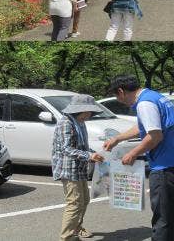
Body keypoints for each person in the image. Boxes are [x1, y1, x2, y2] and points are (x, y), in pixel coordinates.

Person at [103, 75, 174, 240]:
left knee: (163, 219)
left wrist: (133, 153)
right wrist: (118, 138)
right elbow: (144, 126)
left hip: (166, 167)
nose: (119, 100)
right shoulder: (154, 96)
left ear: (121, 91)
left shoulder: (145, 104)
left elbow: (155, 136)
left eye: (117, 96)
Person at [52, 94, 105, 241]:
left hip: (79, 168)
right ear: (81, 110)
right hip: (67, 168)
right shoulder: (66, 123)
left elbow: (83, 147)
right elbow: (66, 149)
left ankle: (76, 227)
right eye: (89, 112)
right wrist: (89, 156)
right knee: (74, 203)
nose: (90, 115)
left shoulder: (80, 122)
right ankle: (67, 237)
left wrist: (95, 154)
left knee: (84, 200)